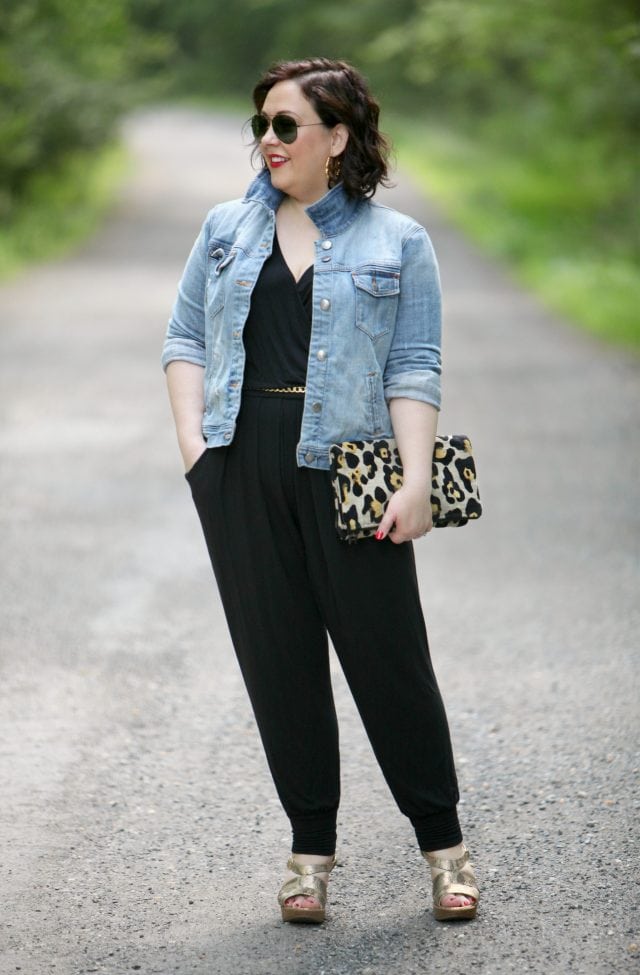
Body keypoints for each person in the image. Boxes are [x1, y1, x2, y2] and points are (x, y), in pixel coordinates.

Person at [162, 57, 479, 924]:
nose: (268, 139)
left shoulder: (396, 241)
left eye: (286, 125)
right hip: (240, 465)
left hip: (351, 471)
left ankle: (445, 850)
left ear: (336, 138)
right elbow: (184, 337)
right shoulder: (226, 227)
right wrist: (196, 451)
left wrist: (415, 480)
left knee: (390, 662)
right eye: (261, 123)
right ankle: (310, 856)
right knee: (279, 666)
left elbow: (415, 364)